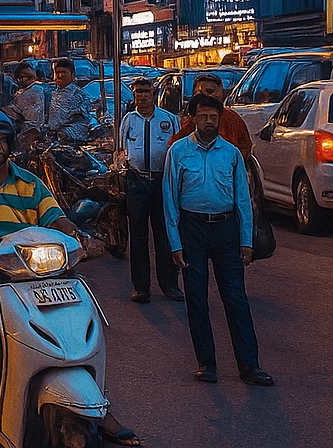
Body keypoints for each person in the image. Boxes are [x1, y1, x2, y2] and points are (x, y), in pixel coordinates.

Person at [0, 108, 138, 448]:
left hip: (38, 280)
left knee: (84, 336)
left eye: (1, 140)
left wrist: (79, 235)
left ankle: (99, 410)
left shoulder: (30, 183)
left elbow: (56, 218)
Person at [163, 93, 273, 386]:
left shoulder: (232, 153)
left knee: (236, 298)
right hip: (192, 229)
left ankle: (250, 366)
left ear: (220, 118)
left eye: (214, 117)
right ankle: (206, 364)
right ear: (193, 119)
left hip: (226, 230)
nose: (209, 122)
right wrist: (175, 243)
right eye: (203, 117)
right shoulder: (178, 152)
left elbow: (243, 200)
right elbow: (170, 201)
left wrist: (246, 241)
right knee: (197, 298)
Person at [117, 78, 182, 303]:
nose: (142, 96)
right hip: (136, 182)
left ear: (153, 93)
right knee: (138, 237)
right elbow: (120, 152)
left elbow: (178, 152)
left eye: (146, 91)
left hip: (162, 183)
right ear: (133, 95)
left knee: (165, 236)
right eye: (138, 92)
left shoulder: (169, 120)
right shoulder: (128, 121)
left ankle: (170, 285)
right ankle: (141, 288)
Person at [169, 72, 252, 159]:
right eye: (200, 93)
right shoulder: (190, 120)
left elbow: (245, 149)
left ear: (220, 93)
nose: (205, 96)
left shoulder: (233, 120)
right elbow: (175, 148)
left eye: (209, 91)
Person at [47, 57, 91, 142]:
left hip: (69, 142)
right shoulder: (49, 93)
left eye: (63, 73)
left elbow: (84, 123)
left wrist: (66, 132)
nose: (60, 76)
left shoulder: (79, 95)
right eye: (57, 72)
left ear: (72, 74)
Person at [7, 61, 46, 129]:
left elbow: (32, 119)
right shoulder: (22, 90)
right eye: (24, 75)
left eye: (30, 76)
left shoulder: (35, 91)